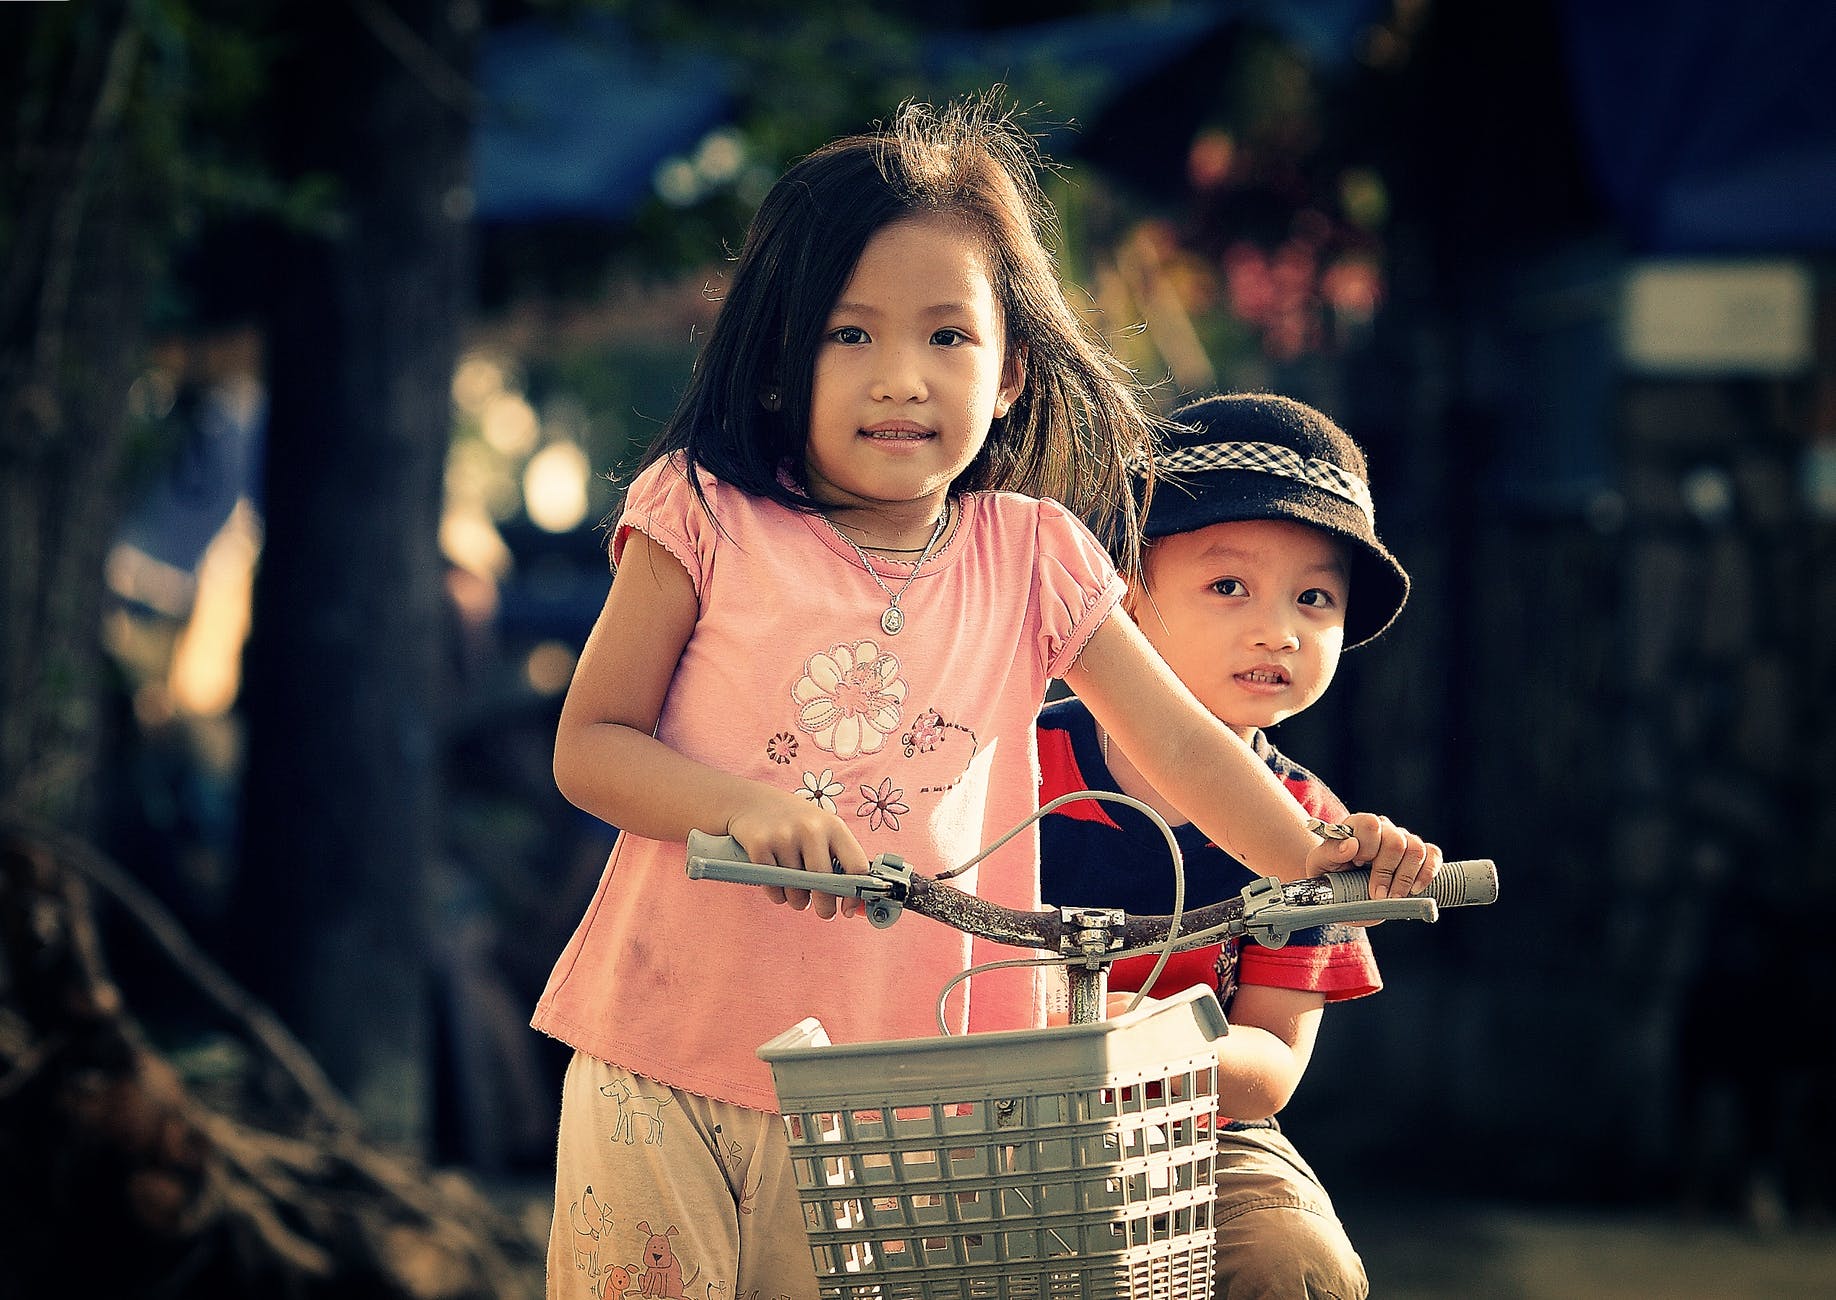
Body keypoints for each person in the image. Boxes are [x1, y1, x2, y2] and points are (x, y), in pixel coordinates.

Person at [533, 96, 1437, 1299]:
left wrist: (1321, 854)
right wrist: (740, 808)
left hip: (899, 1103)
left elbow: (1178, 745)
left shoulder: (1035, 553)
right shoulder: (698, 510)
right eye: (848, 336)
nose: (900, 379)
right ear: (774, 355)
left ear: (1011, 371)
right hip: (666, 1053)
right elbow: (590, 747)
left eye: (948, 338)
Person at [1038, 390, 1426, 1298]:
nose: (1277, 629)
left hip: (1204, 1133)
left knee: (1297, 1263)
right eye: (1228, 586)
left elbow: (1267, 1070)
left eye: (1314, 597)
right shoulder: (1009, 763)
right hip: (996, 1109)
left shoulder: (1306, 829)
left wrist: (1124, 1039)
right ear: (1127, 597)